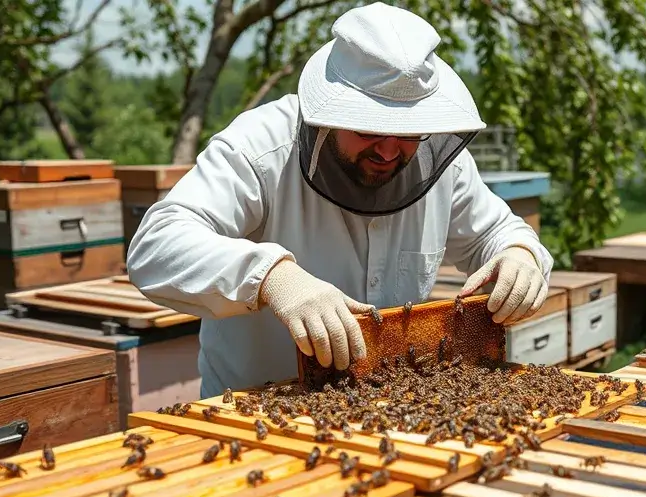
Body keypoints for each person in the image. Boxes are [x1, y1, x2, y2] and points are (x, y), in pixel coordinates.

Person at [127, 1, 554, 399]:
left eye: (408, 135)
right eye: (369, 130)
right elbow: (157, 245)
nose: (389, 152)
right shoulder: (262, 146)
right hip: (256, 417)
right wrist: (274, 278)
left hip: (385, 414)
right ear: (327, 115)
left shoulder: (444, 168)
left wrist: (520, 255)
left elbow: (498, 232)